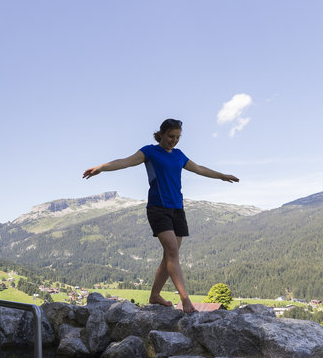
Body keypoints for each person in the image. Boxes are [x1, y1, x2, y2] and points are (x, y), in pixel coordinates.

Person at [82, 118, 239, 313]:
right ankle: (185, 300)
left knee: (169, 255)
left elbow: (199, 169)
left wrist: (222, 175)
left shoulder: (179, 155)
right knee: (173, 251)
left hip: (177, 209)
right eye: (171, 136)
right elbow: (126, 161)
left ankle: (155, 295)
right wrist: (101, 168)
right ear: (161, 134)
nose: (174, 140)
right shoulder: (150, 151)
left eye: (178, 137)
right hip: (158, 207)